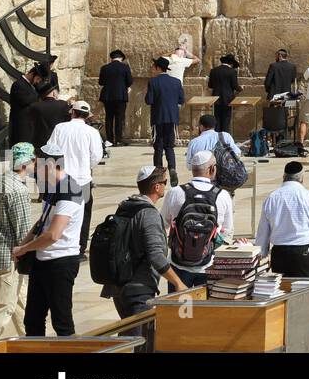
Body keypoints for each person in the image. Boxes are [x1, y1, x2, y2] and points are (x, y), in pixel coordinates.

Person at [13, 145, 83, 336]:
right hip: (42, 261)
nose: (34, 169)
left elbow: (53, 235)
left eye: (38, 164)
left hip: (60, 262)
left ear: (50, 164)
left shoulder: (70, 190)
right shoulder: (52, 187)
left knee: (62, 323)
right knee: (32, 320)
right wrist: (24, 247)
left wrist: (25, 247)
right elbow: (42, 222)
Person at [100, 165, 184, 317]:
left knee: (130, 334)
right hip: (138, 289)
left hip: (118, 286)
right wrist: (178, 283)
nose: (166, 185)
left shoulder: (125, 206)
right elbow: (156, 256)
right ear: (156, 187)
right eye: (165, 182)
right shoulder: (148, 214)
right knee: (143, 337)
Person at [162, 150, 234, 289]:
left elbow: (162, 224)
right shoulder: (223, 195)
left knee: (179, 309)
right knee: (205, 310)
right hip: (208, 265)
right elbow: (228, 232)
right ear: (212, 169)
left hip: (178, 266)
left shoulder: (175, 192)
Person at [257, 161, 309, 277]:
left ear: (284, 177)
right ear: (301, 178)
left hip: (279, 254)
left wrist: (262, 256)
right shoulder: (307, 196)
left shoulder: (272, 198)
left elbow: (263, 232)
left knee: (283, 292)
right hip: (303, 253)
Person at [0, 143, 34, 340]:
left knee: (20, 299)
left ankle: (32, 339)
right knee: (2, 305)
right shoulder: (18, 190)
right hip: (11, 255)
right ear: (26, 164)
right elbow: (23, 230)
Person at [45, 100, 103, 258]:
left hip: (61, 179)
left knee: (59, 211)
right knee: (83, 215)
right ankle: (79, 249)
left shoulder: (59, 128)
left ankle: (58, 244)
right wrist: (85, 166)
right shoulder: (92, 132)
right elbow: (97, 156)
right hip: (82, 179)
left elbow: (50, 150)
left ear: (73, 112)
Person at [145, 56, 185, 185]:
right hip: (172, 118)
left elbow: (149, 100)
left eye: (154, 67)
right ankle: (172, 168)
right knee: (169, 146)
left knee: (158, 147)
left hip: (158, 118)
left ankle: (159, 174)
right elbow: (181, 100)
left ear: (158, 68)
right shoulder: (176, 82)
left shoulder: (153, 82)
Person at [16, 79, 69, 152]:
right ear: (53, 93)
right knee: (58, 163)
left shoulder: (34, 107)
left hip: (40, 144)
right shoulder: (63, 104)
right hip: (58, 144)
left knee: (42, 163)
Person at [97, 50, 133, 146]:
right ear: (121, 58)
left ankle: (109, 139)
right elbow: (129, 81)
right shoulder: (125, 67)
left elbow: (101, 82)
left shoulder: (105, 68)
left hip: (107, 96)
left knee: (109, 117)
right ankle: (119, 138)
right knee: (119, 117)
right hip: (121, 95)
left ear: (112, 58)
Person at [206, 53, 242, 136]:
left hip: (216, 99)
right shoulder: (232, 72)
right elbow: (235, 86)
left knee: (217, 120)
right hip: (228, 99)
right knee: (226, 120)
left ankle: (216, 139)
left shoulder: (213, 71)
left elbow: (210, 85)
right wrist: (241, 88)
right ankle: (224, 140)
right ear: (231, 63)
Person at [7, 65, 41, 148]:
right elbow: (25, 100)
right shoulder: (18, 84)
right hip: (21, 128)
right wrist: (39, 98)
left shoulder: (31, 86)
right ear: (32, 74)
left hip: (29, 127)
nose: (38, 82)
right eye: (38, 79)